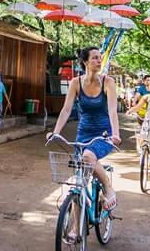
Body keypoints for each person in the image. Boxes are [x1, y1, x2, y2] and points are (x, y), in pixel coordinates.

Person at [49, 46, 121, 210]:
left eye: (99, 57)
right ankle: (75, 229)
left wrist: (115, 134)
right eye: (94, 57)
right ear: (85, 62)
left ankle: (109, 189)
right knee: (79, 183)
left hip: (104, 135)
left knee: (88, 156)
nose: (99, 60)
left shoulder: (108, 82)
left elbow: (112, 111)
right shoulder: (76, 83)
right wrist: (55, 133)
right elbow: (66, 110)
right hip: (83, 134)